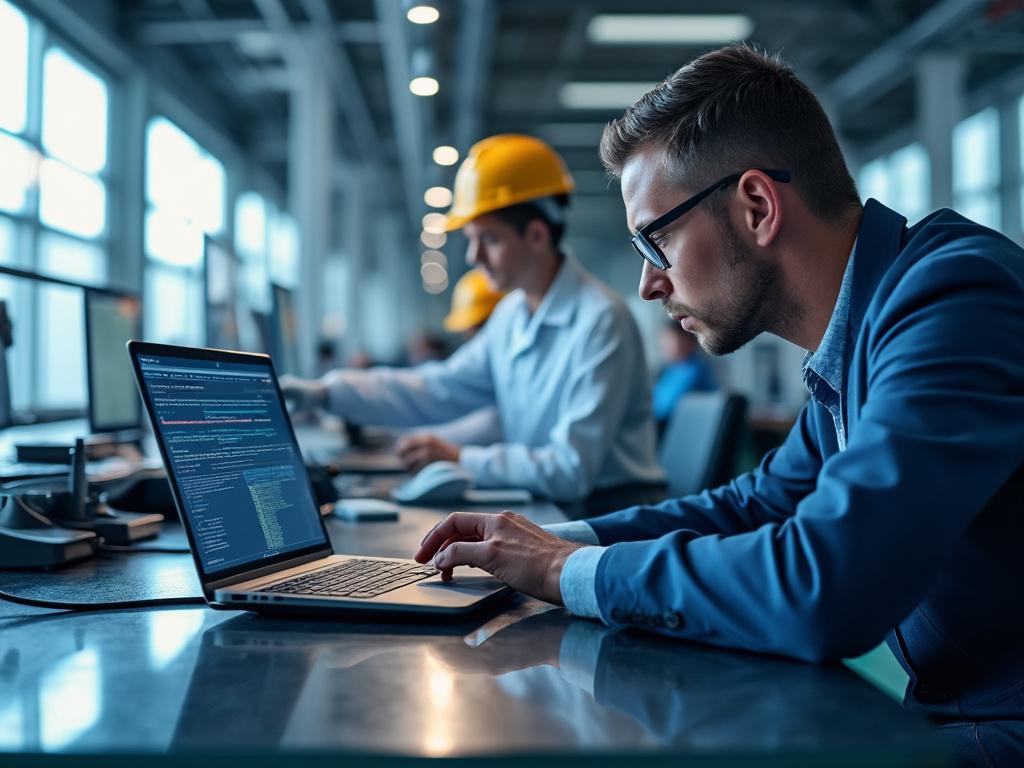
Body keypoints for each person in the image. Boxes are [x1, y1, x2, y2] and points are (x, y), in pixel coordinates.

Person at [414, 44, 1024, 761]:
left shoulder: (952, 301)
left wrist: (560, 571)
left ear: (757, 206)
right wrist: (546, 544)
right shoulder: (866, 332)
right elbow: (757, 504)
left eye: (656, 240)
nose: (648, 283)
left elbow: (826, 583)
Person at [283, 134, 665, 508]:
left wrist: (460, 458)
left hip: (611, 514)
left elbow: (571, 469)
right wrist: (327, 392)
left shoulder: (600, 320)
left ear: (536, 234)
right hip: (549, 502)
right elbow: (436, 388)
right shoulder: (511, 315)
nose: (472, 256)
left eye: (489, 239)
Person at [652, 320, 717, 432]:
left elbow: (664, 411)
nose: (663, 344)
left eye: (669, 338)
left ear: (687, 340)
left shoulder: (694, 372)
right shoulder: (672, 371)